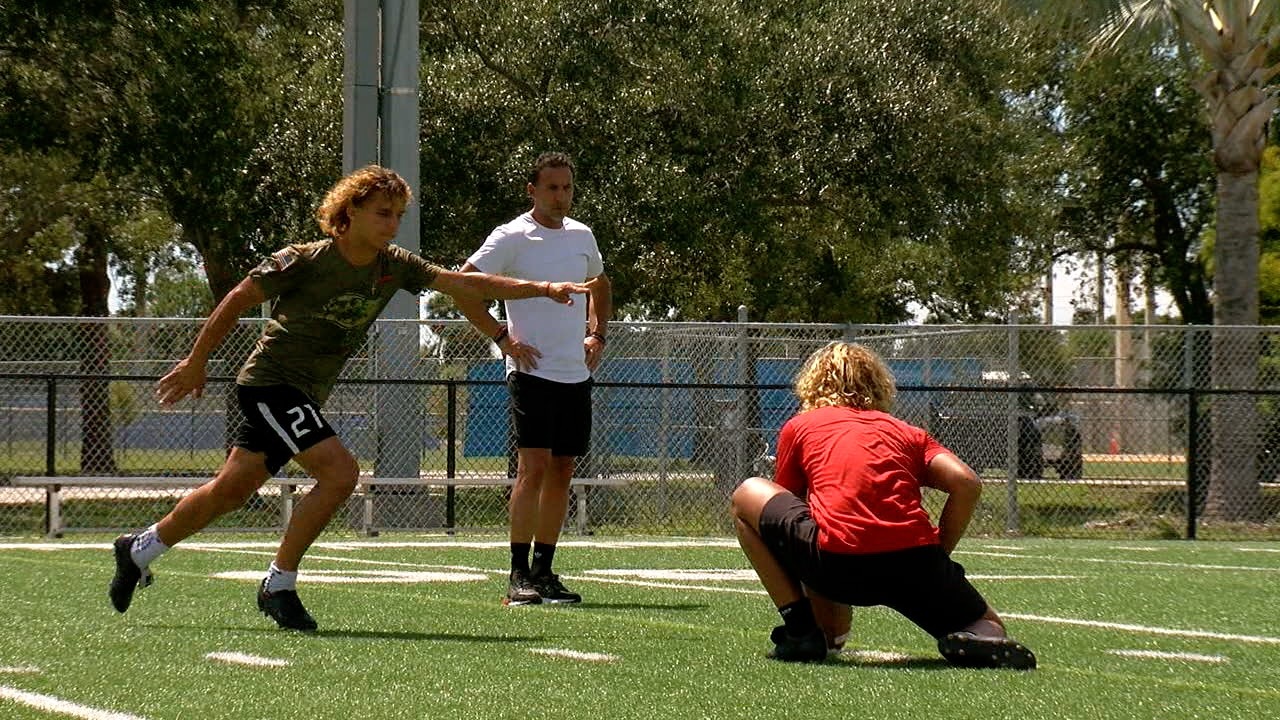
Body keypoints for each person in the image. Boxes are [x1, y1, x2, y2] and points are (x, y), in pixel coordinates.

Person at [108, 165, 591, 631]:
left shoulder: (395, 266)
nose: (393, 224)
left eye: (399, 214)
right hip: (271, 385)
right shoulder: (303, 259)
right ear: (350, 212)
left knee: (231, 490)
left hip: (301, 394)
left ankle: (140, 549)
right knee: (341, 474)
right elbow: (237, 298)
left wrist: (541, 289)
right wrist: (196, 362)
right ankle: (279, 585)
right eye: (383, 212)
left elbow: (462, 283)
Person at [730, 342, 1037, 668]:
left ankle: (802, 629)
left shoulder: (802, 425)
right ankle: (981, 640)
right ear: (879, 384)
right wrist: (938, 555)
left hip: (838, 565)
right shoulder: (908, 432)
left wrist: (822, 600)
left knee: (748, 493)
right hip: (915, 564)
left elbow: (789, 507)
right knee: (988, 625)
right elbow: (967, 483)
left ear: (812, 384)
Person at [453, 151, 611, 606]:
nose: (561, 196)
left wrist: (597, 335)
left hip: (574, 373)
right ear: (532, 191)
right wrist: (502, 337)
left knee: (563, 469)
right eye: (552, 188)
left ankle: (544, 570)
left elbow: (600, 285)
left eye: (567, 188)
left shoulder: (582, 235)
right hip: (531, 371)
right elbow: (464, 285)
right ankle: (517, 573)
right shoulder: (511, 237)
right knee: (533, 468)